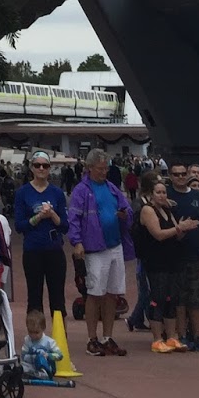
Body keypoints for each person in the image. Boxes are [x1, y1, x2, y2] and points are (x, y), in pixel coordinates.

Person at [67, 148, 132, 356]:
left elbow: (127, 210)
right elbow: (73, 219)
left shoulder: (112, 188)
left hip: (115, 245)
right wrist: (76, 242)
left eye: (106, 168)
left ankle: (107, 337)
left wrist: (124, 215)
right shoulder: (81, 191)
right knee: (94, 294)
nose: (104, 172)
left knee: (112, 293)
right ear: (89, 168)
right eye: (100, 169)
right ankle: (91, 338)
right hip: (95, 249)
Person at [132, 171, 196, 353]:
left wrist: (184, 229)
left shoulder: (168, 209)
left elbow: (177, 235)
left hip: (171, 259)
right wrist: (178, 229)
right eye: (158, 192)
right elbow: (159, 234)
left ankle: (171, 337)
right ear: (151, 194)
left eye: (164, 192)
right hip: (156, 261)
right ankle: (157, 338)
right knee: (158, 297)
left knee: (171, 298)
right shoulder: (147, 210)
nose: (162, 195)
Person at [165, 159, 199, 350]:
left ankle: (198, 336)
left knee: (198, 298)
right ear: (170, 176)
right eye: (176, 174)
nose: (180, 178)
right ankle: (181, 336)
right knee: (179, 299)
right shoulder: (167, 195)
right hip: (173, 256)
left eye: (183, 174)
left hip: (197, 256)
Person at [13, 149, 67, 320]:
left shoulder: (57, 193)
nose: (41, 169)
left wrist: (52, 215)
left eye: (45, 165)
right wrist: (37, 218)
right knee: (34, 297)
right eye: (38, 165)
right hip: (33, 251)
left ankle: (60, 339)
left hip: (54, 250)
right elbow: (19, 226)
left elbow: (65, 226)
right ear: (32, 168)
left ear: (49, 168)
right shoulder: (23, 193)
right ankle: (35, 339)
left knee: (57, 298)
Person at [19, 309, 64, 379]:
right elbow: (23, 355)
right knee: (20, 365)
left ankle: (43, 374)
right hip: (31, 365)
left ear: (43, 329)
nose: (33, 335)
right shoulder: (27, 340)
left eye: (36, 332)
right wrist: (31, 357)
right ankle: (26, 373)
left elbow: (60, 355)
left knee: (40, 358)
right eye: (30, 332)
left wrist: (48, 355)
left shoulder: (49, 342)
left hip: (46, 366)